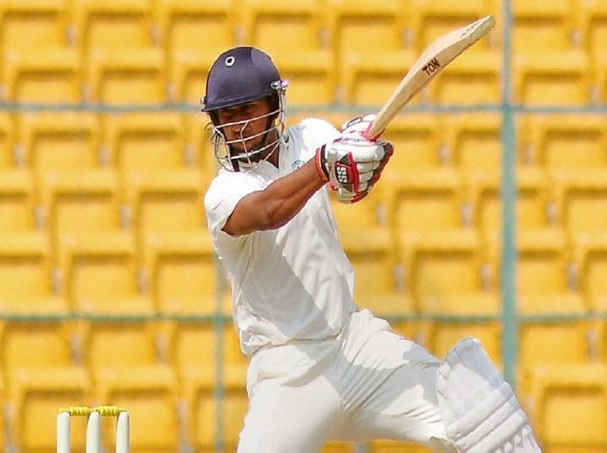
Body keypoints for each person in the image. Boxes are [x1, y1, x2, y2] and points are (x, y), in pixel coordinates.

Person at [201, 46, 541, 453]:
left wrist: (363, 158)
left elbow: (348, 183)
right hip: (289, 369)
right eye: (226, 115)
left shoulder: (312, 137)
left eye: (247, 110)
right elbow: (269, 210)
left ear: (274, 106)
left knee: (475, 416)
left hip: (354, 344)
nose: (236, 125)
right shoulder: (224, 192)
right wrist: (324, 165)